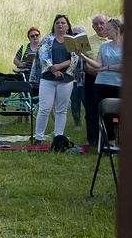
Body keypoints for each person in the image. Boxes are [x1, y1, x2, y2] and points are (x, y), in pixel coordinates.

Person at [32, 14, 80, 145]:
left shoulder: (71, 40)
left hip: (66, 79)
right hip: (48, 78)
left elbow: (74, 59)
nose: (60, 25)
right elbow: (42, 55)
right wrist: (53, 69)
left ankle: (58, 137)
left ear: (68, 26)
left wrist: (59, 66)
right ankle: (38, 137)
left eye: (63, 23)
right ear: (53, 25)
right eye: (57, 22)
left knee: (61, 109)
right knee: (44, 108)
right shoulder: (47, 39)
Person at [79, 18, 123, 145]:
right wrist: (83, 56)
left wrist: (107, 68)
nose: (105, 32)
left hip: (119, 84)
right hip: (102, 84)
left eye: (108, 29)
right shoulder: (104, 47)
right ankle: (110, 143)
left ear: (117, 30)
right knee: (106, 114)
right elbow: (98, 64)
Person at [82, 14, 110, 146]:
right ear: (93, 27)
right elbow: (81, 62)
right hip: (92, 78)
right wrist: (89, 70)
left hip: (110, 79)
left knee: (110, 109)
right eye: (96, 24)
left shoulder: (115, 41)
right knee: (91, 109)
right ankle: (93, 139)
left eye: (102, 23)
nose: (99, 26)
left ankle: (109, 140)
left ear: (107, 24)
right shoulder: (87, 41)